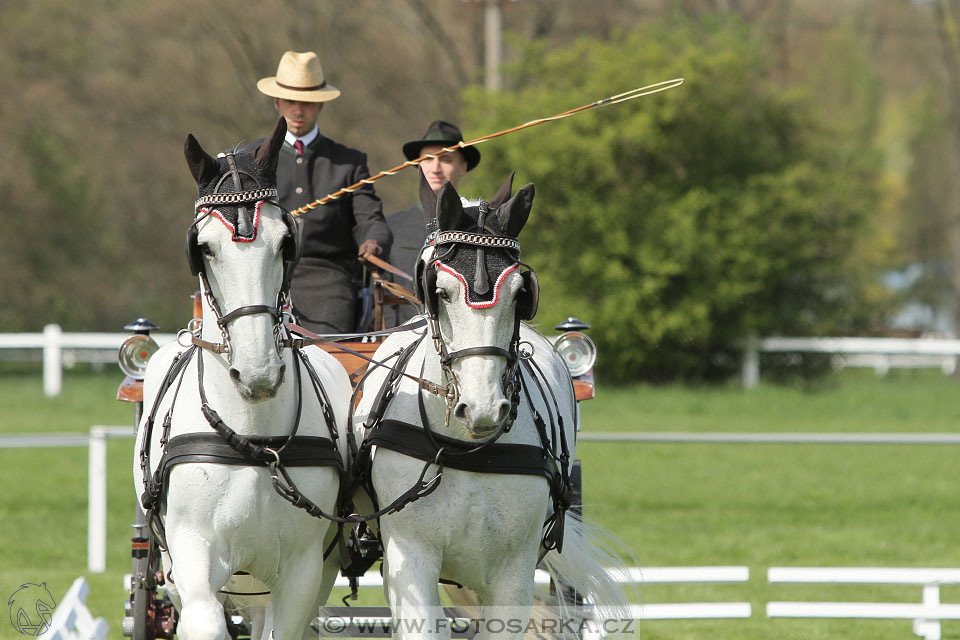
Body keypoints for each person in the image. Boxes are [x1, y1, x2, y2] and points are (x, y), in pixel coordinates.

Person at [254, 50, 392, 333]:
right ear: (277, 102)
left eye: (307, 102)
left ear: (320, 106)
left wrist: (373, 241)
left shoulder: (350, 162)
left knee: (329, 356)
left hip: (329, 279)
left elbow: (370, 218)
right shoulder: (249, 158)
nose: (298, 111)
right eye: (291, 101)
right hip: (261, 275)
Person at [384, 120, 481, 327]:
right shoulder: (389, 227)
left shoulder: (480, 227)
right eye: (427, 159)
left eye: (446, 159)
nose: (435, 167)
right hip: (399, 344)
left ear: (463, 167)